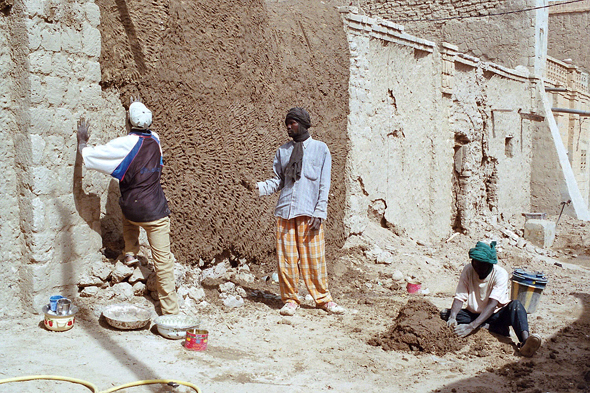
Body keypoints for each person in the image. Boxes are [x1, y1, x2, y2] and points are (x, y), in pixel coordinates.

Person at [76, 98, 179, 315]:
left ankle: (130, 252)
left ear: (128, 122)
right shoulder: (156, 140)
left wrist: (82, 143)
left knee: (126, 204)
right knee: (163, 262)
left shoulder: (125, 144)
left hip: (132, 212)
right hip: (155, 214)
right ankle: (170, 311)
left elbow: (93, 156)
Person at [246, 107, 344, 316]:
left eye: (293, 123)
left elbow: (324, 184)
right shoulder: (283, 151)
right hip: (285, 213)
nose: (289, 127)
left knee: (314, 258)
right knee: (287, 259)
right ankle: (291, 299)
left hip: (310, 213)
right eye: (287, 123)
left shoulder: (321, 149)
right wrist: (258, 187)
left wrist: (320, 212)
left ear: (303, 124)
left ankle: (323, 299)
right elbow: (278, 181)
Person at [440, 241, 542, 357]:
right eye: (475, 264)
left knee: (516, 306)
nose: (478, 268)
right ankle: (490, 328)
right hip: (474, 314)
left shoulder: (500, 274)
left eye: (482, 265)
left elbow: (493, 304)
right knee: (445, 314)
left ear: (489, 264)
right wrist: (453, 317)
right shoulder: (468, 270)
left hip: (496, 315)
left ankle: (525, 342)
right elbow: (460, 297)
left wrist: (471, 327)